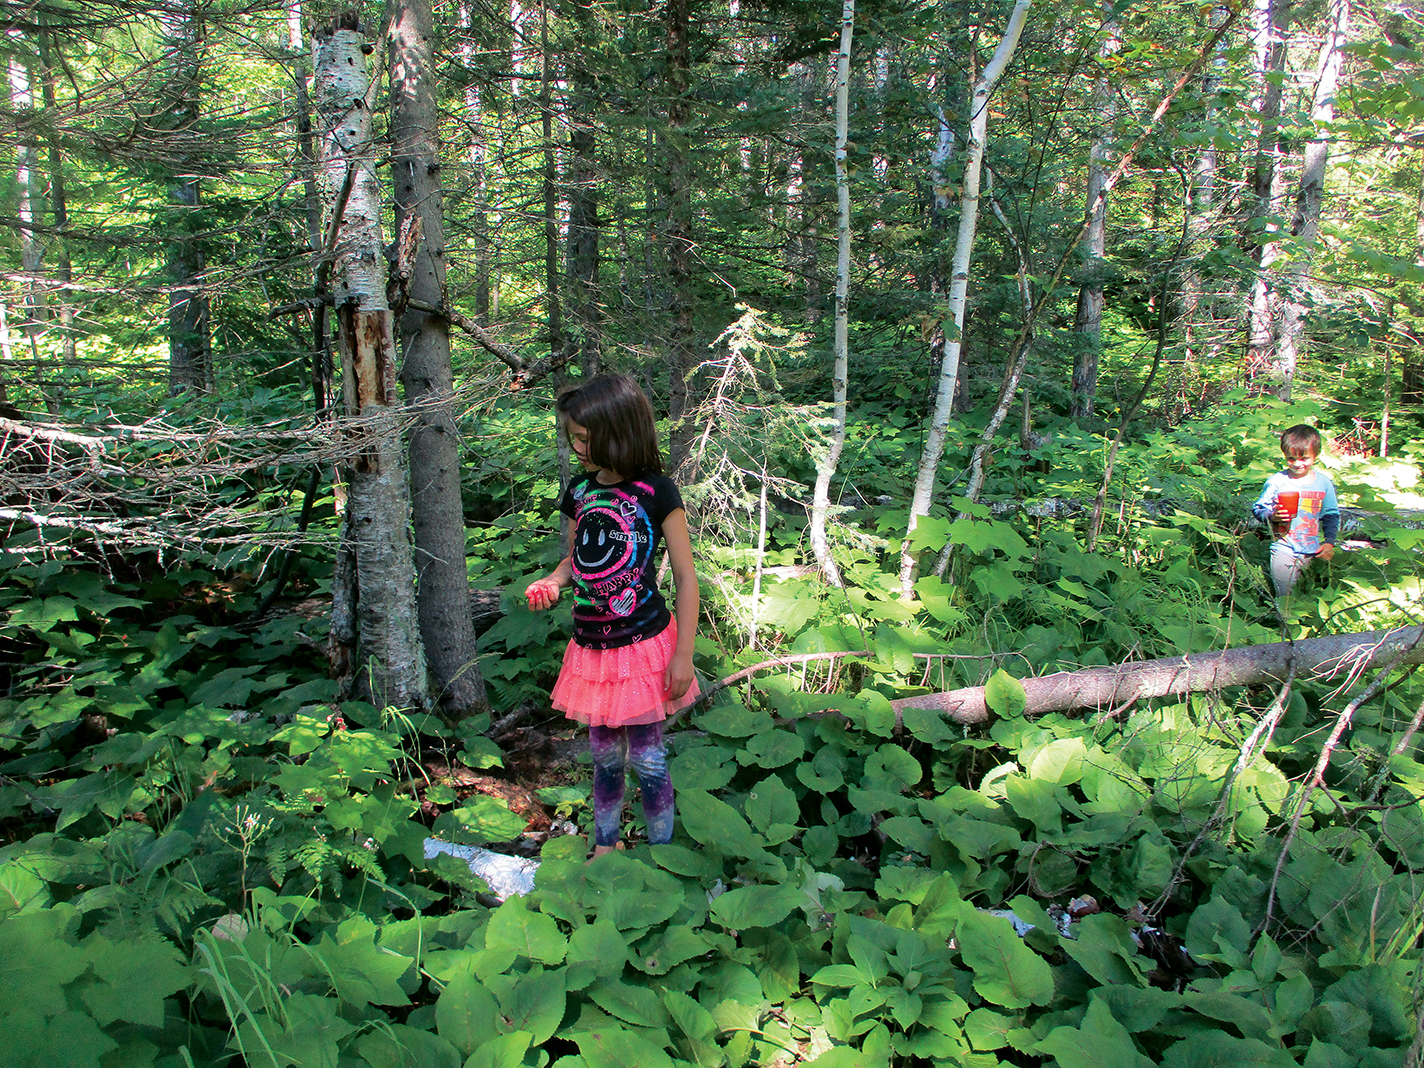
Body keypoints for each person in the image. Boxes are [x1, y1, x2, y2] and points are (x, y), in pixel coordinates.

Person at [525, 373, 699, 857]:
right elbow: (576, 557)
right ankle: (606, 846)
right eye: (572, 437)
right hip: (593, 651)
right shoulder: (580, 492)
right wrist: (554, 582)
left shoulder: (657, 492)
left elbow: (686, 578)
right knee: (603, 756)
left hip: (643, 647)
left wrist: (683, 654)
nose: (577, 446)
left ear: (617, 430)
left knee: (647, 757)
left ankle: (661, 853)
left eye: (584, 437)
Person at [1251, 424, 1340, 601]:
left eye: (1304, 458)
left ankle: (1308, 627)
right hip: (1284, 546)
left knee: (1309, 596)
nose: (1297, 464)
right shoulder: (1278, 481)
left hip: (1313, 549)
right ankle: (1283, 625)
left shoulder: (1323, 484)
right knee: (1285, 595)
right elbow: (1258, 509)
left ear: (1316, 455)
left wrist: (1329, 542)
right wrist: (1272, 516)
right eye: (1291, 459)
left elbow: (1331, 515)